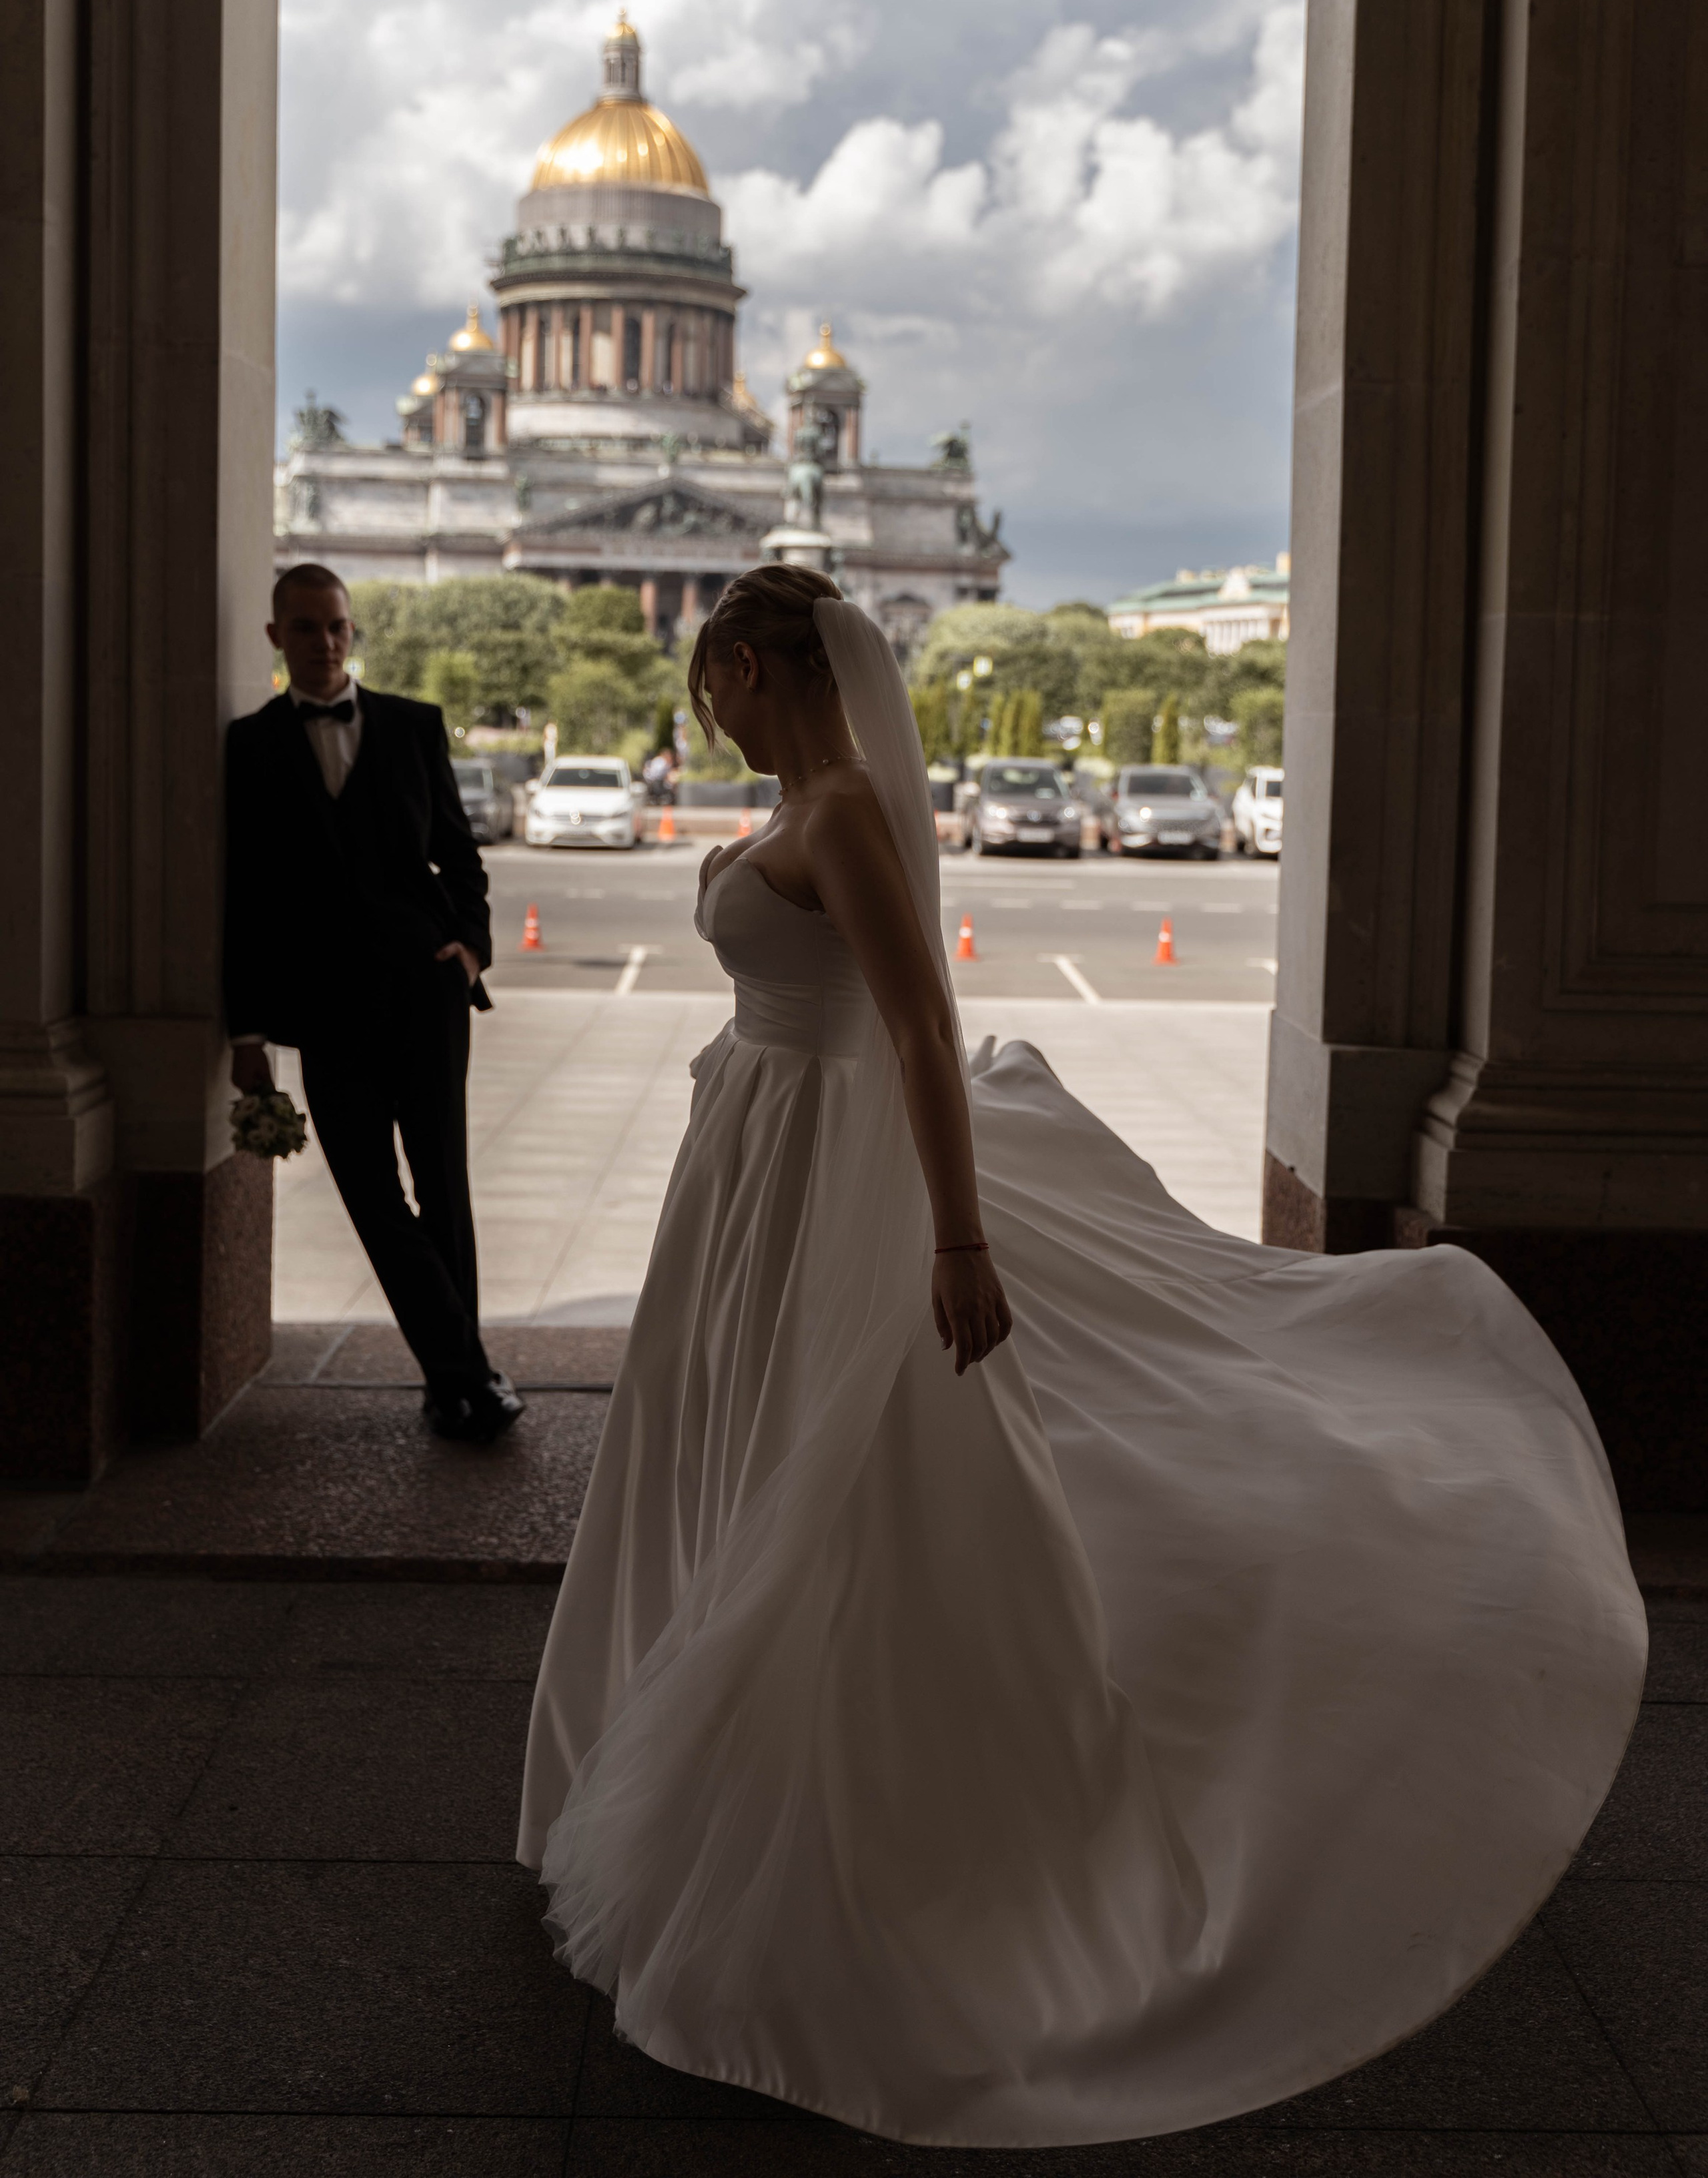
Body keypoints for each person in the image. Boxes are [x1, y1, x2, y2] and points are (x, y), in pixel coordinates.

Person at [516, 565, 1645, 2147]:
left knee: (819, 1459)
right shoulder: (806, 805)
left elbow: (919, 1029)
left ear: (748, 664)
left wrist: (955, 1239)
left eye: (713, 688)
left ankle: (838, 1811)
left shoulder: (837, 815)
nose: (708, 718)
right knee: (738, 1437)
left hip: (813, 1166)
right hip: (756, 1155)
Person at [225, 563, 524, 1444]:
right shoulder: (250, 745)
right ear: (275, 637)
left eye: (337, 626)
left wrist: (471, 951)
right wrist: (245, 1030)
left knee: (444, 1190)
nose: (325, 643)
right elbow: (244, 895)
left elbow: (459, 855)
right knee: (370, 1196)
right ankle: (466, 1369)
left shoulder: (414, 726)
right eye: (306, 627)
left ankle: (454, 1382)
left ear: (352, 632)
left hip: (425, 993)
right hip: (322, 1010)